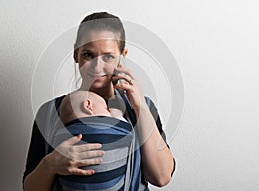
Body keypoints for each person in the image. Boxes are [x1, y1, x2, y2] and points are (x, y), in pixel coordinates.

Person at [23, 11, 175, 191]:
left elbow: (161, 177)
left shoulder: (143, 106)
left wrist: (140, 106)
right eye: (88, 54)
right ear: (75, 54)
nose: (97, 66)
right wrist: (51, 164)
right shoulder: (50, 112)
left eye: (108, 56)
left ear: (122, 55)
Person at [54, 90, 135, 190]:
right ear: (88, 106)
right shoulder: (108, 126)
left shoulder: (59, 134)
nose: (109, 113)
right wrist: (117, 114)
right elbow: (128, 133)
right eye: (106, 108)